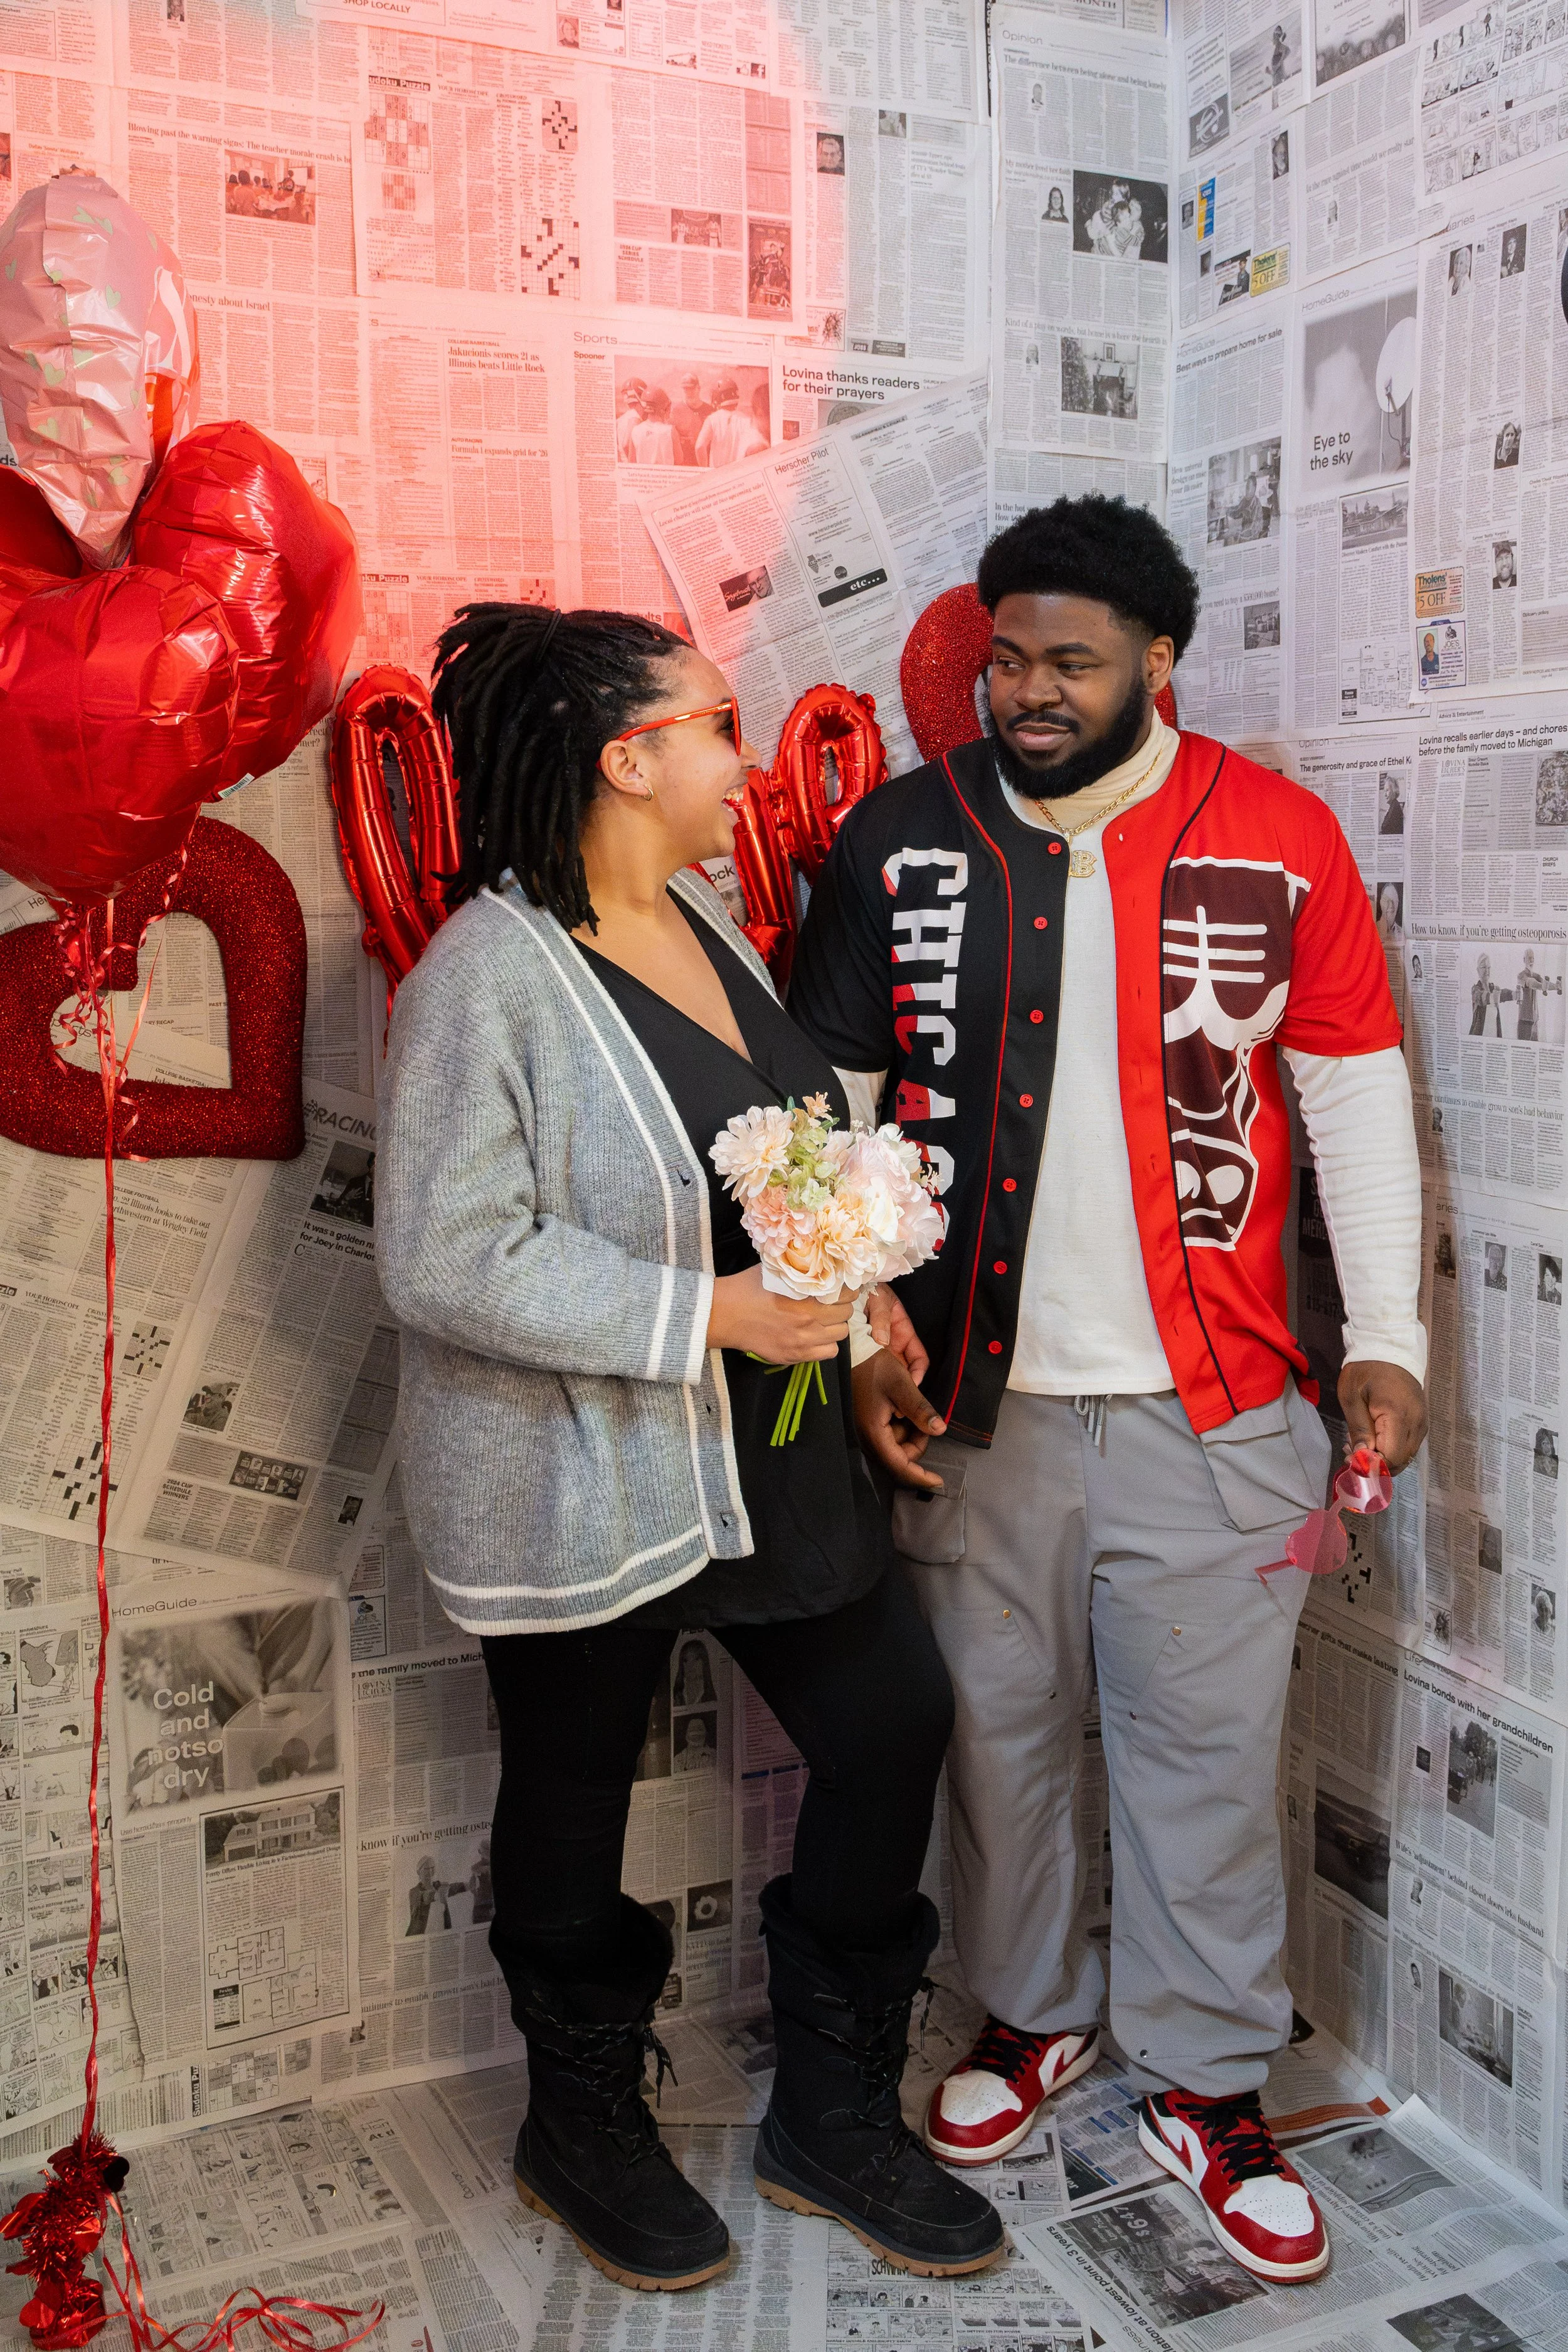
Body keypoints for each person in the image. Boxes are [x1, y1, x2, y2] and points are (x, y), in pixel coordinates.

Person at [789, 495, 1427, 2289]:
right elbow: (826, 1105)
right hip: (968, 1402)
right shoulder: (898, 838)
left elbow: (1358, 1097)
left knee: (1203, 1766)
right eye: (1005, 656)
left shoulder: (1275, 835)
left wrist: (1388, 1332)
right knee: (990, 1746)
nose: (1027, 690)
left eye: (1069, 659)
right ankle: (1027, 2013)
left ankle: (1210, 2082)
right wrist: (852, 1335)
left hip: (1215, 1406)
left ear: (1160, 659)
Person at [378, 605, 1002, 2292]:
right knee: (574, 1800)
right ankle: (577, 2122)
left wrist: (868, 1335)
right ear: (624, 754)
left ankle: (830, 2112)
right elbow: (446, 1253)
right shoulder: (483, 978)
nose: (742, 758)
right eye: (715, 724)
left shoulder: (707, 920)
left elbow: (796, 1163)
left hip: (775, 1452)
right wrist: (705, 1318)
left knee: (888, 1724)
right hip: (587, 1469)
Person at [696, 378, 766, 467]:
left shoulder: (713, 419)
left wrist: (705, 470)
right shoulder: (747, 420)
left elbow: (699, 447)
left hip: (717, 474)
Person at [1513, 947, 1560, 1038]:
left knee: (1535, 1047)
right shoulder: (1521, 976)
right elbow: (1530, 982)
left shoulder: (1536, 975)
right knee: (1524, 1048)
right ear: (1524, 960)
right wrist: (1542, 987)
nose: (1532, 960)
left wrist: (1556, 987)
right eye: (1529, 958)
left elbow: (1545, 984)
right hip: (1525, 1019)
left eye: (1533, 958)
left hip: (1535, 1019)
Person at [629, 386, 678, 464]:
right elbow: (679, 459)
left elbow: (631, 461)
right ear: (663, 408)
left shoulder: (636, 430)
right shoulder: (670, 431)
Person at [670, 374, 710, 464]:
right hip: (684, 463)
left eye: (691, 389)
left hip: (705, 462)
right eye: (686, 390)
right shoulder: (676, 411)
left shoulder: (709, 411)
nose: (689, 393)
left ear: (699, 388)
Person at [674, 1638, 716, 1707]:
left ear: (704, 1663)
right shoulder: (678, 1694)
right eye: (686, 1660)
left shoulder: (708, 1692)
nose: (690, 1665)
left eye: (696, 1659)